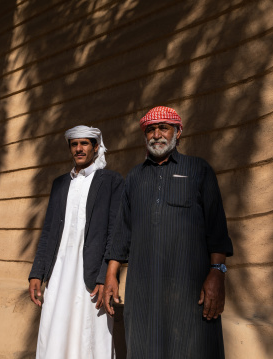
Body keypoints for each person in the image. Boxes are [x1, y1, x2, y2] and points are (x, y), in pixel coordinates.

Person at [103, 106, 233, 359]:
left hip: (190, 287)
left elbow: (217, 227)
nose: (156, 134)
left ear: (178, 132)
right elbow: (122, 230)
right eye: (150, 129)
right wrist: (111, 275)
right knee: (143, 345)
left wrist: (217, 273)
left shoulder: (198, 170)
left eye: (164, 127)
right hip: (144, 288)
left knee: (194, 346)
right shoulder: (135, 177)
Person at [29, 125, 123, 359]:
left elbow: (115, 232)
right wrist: (36, 273)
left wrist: (105, 275)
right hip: (58, 270)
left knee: (90, 331)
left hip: (91, 272)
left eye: (85, 143)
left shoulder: (111, 181)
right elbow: (49, 230)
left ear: (96, 147)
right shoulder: (60, 184)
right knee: (55, 326)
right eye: (74, 144)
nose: (79, 148)